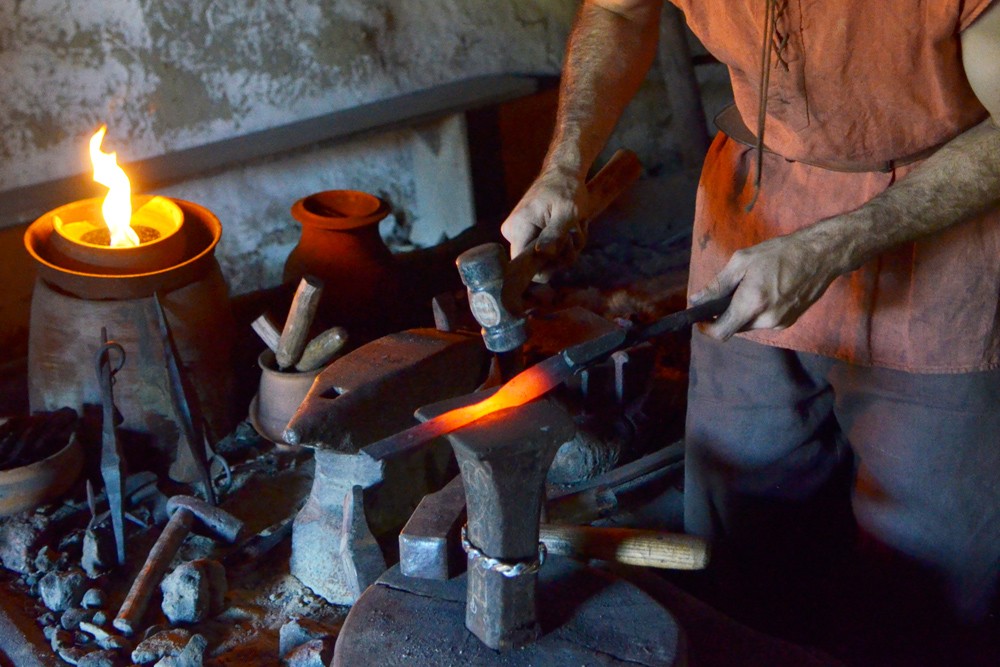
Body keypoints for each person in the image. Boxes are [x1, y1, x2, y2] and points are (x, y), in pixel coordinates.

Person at [501, 0, 1000, 653]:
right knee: (744, 534)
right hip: (753, 218)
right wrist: (565, 165)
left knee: (931, 579)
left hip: (942, 243)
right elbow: (618, 14)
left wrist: (840, 241)